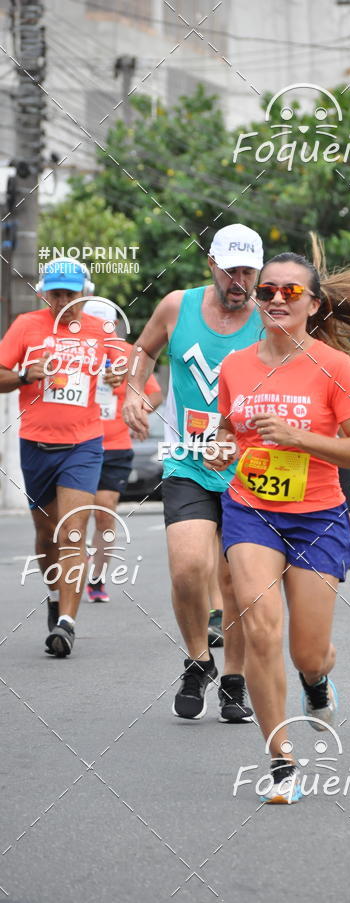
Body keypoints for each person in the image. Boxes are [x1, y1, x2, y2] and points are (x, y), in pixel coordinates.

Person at [207, 239, 350, 803]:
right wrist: (221, 448)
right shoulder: (236, 366)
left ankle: (316, 683)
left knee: (307, 653)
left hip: (318, 517)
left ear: (313, 304)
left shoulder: (333, 366)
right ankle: (281, 761)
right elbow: (228, 429)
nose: (276, 298)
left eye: (290, 290)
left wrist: (299, 438)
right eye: (266, 290)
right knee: (261, 628)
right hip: (250, 510)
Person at [122, 224, 263, 724]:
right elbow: (144, 350)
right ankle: (198, 660)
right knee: (187, 568)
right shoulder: (176, 306)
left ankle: (234, 680)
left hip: (250, 469)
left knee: (239, 583)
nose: (238, 281)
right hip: (187, 461)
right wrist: (134, 391)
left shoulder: (270, 319)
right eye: (230, 270)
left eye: (248, 271)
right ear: (212, 264)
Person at [0, 258, 124, 657]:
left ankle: (67, 623)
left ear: (85, 294)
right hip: (36, 444)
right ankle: (55, 597)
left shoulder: (101, 329)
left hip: (84, 444)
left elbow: (122, 368)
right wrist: (23, 376)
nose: (63, 302)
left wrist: (117, 375)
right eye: (56, 294)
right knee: (46, 533)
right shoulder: (26, 326)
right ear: (44, 294)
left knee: (72, 532)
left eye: (71, 295)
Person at [83, 299, 163, 602]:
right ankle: (74, 564)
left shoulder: (130, 355)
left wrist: (137, 412)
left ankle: (97, 578)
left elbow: (155, 394)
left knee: (104, 512)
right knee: (77, 514)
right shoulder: (75, 352)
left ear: (115, 325)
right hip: (77, 445)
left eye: (105, 325)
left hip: (115, 446)